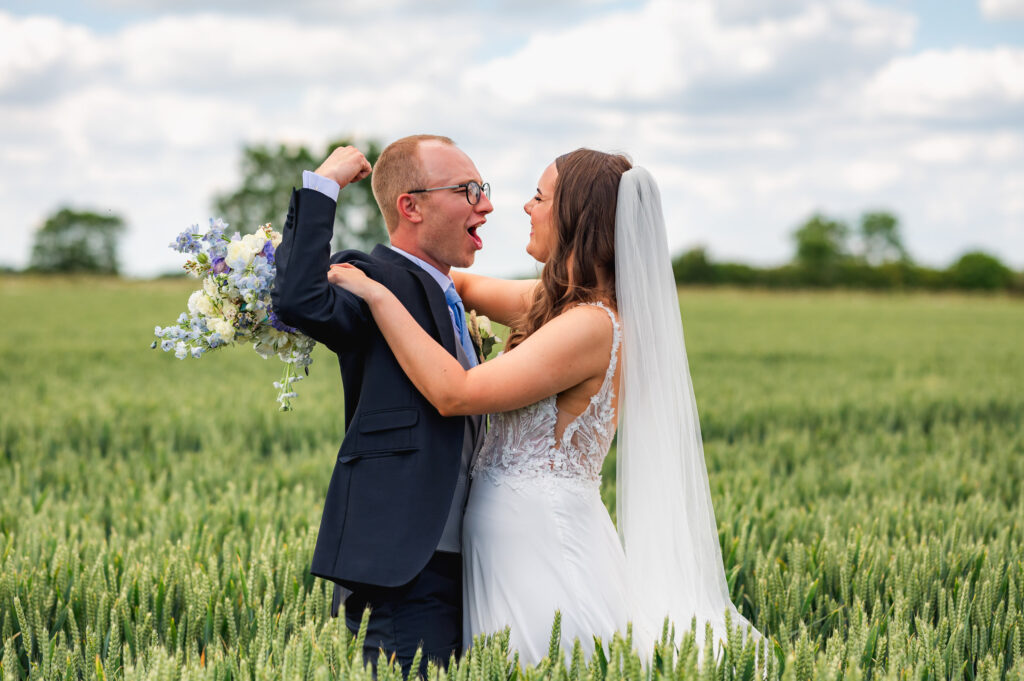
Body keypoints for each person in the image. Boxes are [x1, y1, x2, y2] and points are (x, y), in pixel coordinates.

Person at [328, 148, 760, 665]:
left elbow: (456, 394)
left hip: (541, 546)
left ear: (576, 216)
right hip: (508, 545)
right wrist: (341, 270)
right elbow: (453, 285)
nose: (524, 208)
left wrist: (378, 298)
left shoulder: (590, 326)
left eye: (539, 196)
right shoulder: (556, 305)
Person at [271, 135, 493, 674]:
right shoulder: (372, 276)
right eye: (467, 190)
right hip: (406, 563)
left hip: (477, 566)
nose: (485, 204)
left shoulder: (457, 297)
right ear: (410, 206)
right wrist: (324, 185)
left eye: (483, 189)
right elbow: (300, 301)